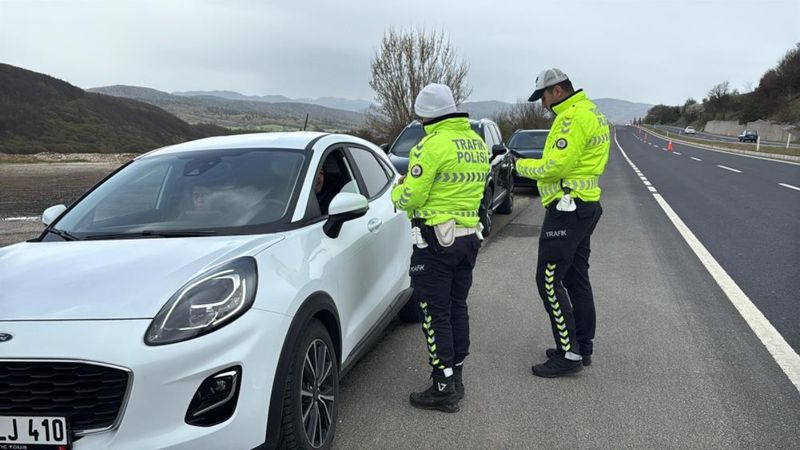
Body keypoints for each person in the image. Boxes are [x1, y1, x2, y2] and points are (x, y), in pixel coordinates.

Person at [391, 83, 489, 413]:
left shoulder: (430, 146)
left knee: (435, 314)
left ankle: (443, 387)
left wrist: (396, 192)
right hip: (468, 238)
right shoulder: (476, 143)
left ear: (425, 115)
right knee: (457, 306)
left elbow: (412, 196)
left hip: (435, 241)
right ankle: (456, 375)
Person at [515, 68, 610, 378]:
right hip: (586, 204)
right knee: (576, 278)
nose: (542, 104)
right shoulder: (591, 111)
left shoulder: (570, 118)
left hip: (567, 207)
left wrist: (518, 165)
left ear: (557, 90)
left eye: (543, 96)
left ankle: (569, 353)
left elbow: (555, 166)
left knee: (548, 279)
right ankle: (582, 347)